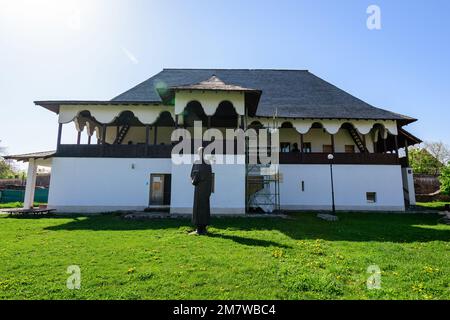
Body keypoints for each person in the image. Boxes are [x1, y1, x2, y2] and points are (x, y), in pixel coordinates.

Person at [190, 147, 212, 235]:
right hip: (198, 188)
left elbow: (209, 177)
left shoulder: (207, 163)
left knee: (204, 208)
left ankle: (203, 228)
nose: (200, 154)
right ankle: (198, 229)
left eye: (202, 152)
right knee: (197, 208)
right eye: (199, 152)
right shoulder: (196, 163)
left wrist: (197, 177)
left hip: (204, 189)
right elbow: (192, 174)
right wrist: (194, 179)